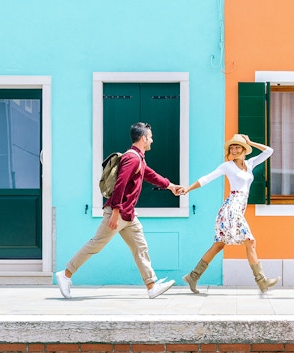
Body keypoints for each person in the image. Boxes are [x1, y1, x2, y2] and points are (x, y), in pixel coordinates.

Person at [55, 122, 183, 299]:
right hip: (119, 212)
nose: (152, 140)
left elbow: (150, 175)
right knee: (96, 244)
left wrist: (171, 186)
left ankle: (151, 286)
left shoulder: (139, 158)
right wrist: (115, 211)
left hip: (128, 214)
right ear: (144, 138)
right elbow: (120, 185)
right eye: (150, 137)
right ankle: (66, 274)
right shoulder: (131, 158)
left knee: (140, 247)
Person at [181, 134, 280, 294]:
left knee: (219, 244)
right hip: (231, 208)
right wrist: (187, 189)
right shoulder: (227, 166)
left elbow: (269, 151)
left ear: (244, 149)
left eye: (237, 147)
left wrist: (250, 141)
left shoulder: (250, 163)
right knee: (250, 242)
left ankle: (193, 276)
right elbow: (206, 178)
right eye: (232, 147)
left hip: (238, 208)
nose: (234, 150)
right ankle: (262, 282)